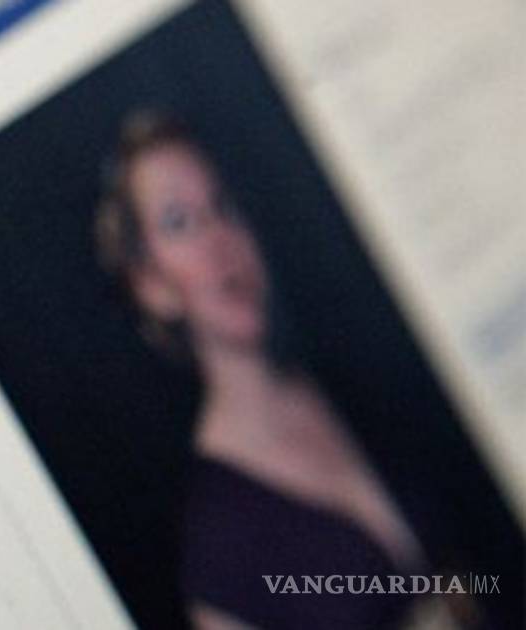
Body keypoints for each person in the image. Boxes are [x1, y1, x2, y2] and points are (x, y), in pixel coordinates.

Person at [93, 111, 444, 629]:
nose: (219, 239)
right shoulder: (216, 544)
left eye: (223, 205)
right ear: (151, 284)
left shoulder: (362, 381)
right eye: (178, 221)